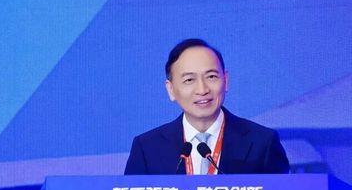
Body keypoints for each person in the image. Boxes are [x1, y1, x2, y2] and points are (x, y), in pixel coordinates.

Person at [124, 38, 290, 175]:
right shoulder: (147, 148)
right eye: (189, 80)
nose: (202, 90)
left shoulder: (262, 142)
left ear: (226, 80)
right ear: (171, 89)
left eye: (211, 77)